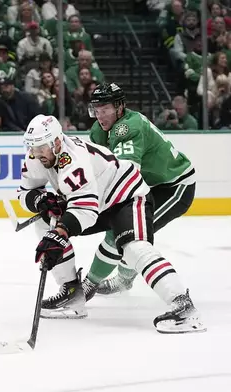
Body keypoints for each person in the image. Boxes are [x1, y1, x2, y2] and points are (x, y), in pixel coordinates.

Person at [18, 114, 204, 333]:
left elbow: (85, 211)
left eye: (40, 148)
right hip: (98, 200)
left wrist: (59, 233)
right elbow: (25, 192)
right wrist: (39, 200)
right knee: (44, 219)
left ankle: (183, 306)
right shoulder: (37, 156)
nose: (35, 154)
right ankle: (72, 294)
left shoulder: (74, 161)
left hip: (126, 196)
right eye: (32, 148)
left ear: (57, 142)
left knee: (134, 248)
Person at [81, 83, 196, 300]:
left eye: (105, 109)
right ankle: (111, 280)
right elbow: (100, 168)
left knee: (127, 234)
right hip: (148, 185)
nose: (99, 115)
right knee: (120, 233)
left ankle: (102, 283)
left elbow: (124, 174)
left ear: (120, 107)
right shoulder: (98, 130)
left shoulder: (128, 128)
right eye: (96, 109)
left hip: (176, 186)